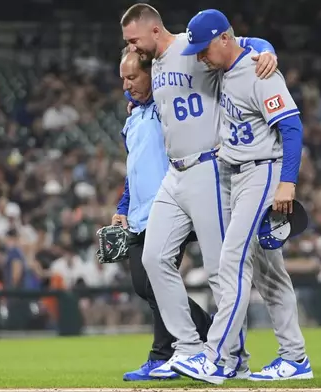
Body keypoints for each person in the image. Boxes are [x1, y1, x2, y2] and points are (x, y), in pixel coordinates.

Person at [120, 3, 279, 379]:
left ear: (154, 30)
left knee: (218, 271)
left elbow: (241, 41)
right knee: (154, 258)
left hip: (208, 167)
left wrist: (268, 49)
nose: (130, 46)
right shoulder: (154, 64)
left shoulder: (189, 48)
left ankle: (232, 358)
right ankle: (188, 348)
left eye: (133, 39)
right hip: (174, 175)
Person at [171, 10, 312, 384]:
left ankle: (214, 358)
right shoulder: (233, 65)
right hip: (238, 172)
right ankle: (295, 358)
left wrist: (288, 183)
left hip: (263, 171)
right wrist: (263, 45)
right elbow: (248, 42)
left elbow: (292, 127)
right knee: (270, 274)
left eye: (205, 48)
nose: (201, 55)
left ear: (223, 39)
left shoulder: (257, 71)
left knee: (232, 261)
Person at [113, 48, 212, 381]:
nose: (127, 85)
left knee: (156, 281)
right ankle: (206, 328)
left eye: (132, 77)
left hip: (170, 206)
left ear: (151, 75)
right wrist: (122, 207)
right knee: (144, 285)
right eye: (123, 79)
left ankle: (162, 355)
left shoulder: (166, 108)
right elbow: (134, 170)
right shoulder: (133, 118)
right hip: (140, 213)